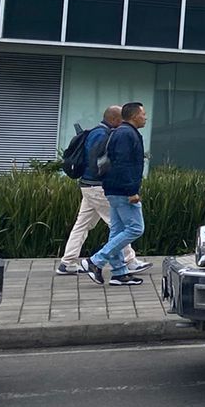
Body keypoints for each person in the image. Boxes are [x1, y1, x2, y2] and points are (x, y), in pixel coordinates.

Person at [56, 105, 145, 276]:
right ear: (113, 120)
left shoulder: (95, 132)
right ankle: (128, 261)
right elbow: (103, 162)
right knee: (119, 225)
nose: (123, 123)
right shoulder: (103, 135)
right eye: (121, 120)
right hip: (98, 186)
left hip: (87, 185)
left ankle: (67, 262)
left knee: (82, 225)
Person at [80, 101, 148, 287]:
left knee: (117, 230)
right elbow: (123, 163)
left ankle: (119, 273)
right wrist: (132, 191)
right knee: (136, 228)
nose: (145, 117)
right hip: (123, 190)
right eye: (143, 114)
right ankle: (95, 261)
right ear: (134, 116)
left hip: (113, 189)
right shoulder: (127, 134)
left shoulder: (121, 133)